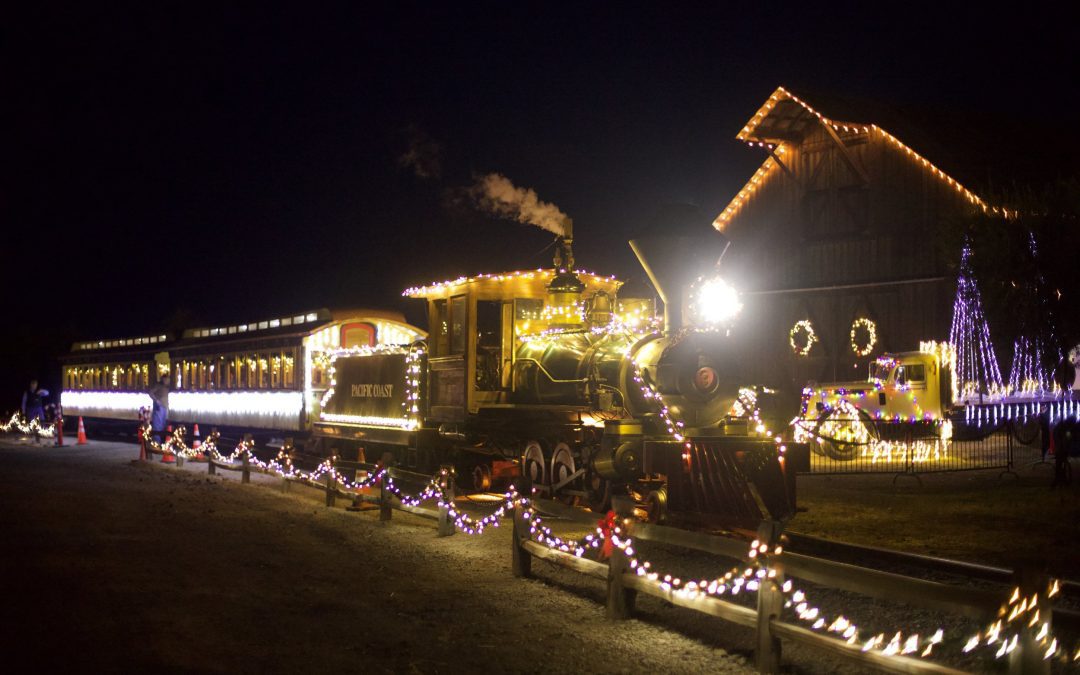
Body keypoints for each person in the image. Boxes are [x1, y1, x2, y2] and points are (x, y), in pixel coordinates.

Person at [148, 373, 171, 444]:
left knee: (162, 424)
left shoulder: (167, 387)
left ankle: (159, 441)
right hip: (159, 407)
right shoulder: (158, 385)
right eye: (166, 379)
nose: (167, 381)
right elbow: (150, 393)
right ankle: (157, 442)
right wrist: (156, 400)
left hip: (164, 407)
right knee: (158, 425)